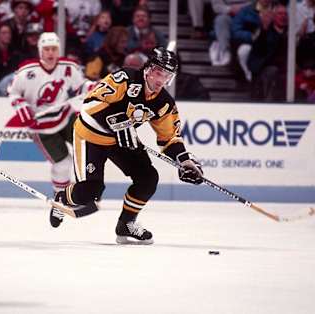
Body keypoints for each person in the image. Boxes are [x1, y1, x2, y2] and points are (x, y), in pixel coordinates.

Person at [49, 47, 204, 244]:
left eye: (166, 76)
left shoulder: (164, 103)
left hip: (122, 139)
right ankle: (62, 198)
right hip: (91, 134)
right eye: (158, 72)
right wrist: (117, 121)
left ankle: (126, 224)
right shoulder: (124, 78)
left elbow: (170, 138)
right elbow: (90, 104)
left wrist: (185, 161)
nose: (160, 80)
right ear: (148, 69)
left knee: (148, 177)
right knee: (90, 192)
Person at [8, 32, 93, 208]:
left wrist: (92, 86)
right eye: (46, 49)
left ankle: (83, 192)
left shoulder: (68, 67)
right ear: (40, 51)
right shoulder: (27, 71)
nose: (50, 53)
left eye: (54, 49)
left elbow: (80, 87)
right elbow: (14, 92)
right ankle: (61, 197)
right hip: (41, 128)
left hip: (66, 117)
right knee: (63, 163)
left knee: (88, 150)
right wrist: (21, 106)